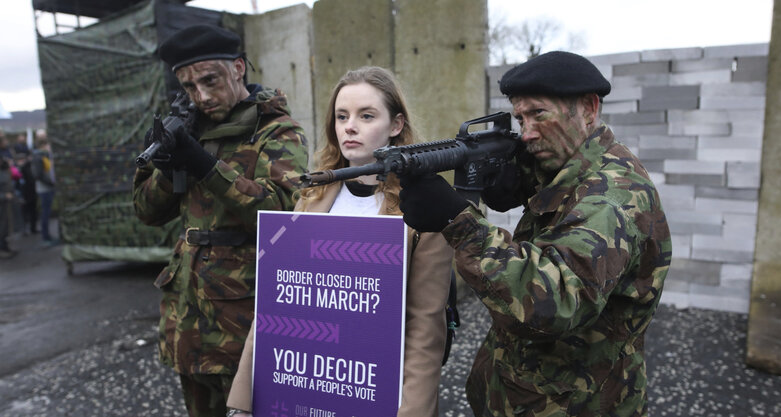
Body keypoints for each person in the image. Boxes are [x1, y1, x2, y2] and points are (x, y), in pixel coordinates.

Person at [397, 51, 672, 416]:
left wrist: (458, 222)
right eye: (520, 118)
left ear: (589, 108)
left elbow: (553, 300)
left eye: (539, 114)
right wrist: (515, 178)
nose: (526, 133)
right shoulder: (568, 167)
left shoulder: (610, 199)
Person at [225, 66, 454, 417]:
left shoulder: (424, 208)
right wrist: (243, 400)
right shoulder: (312, 196)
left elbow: (425, 328)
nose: (350, 126)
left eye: (366, 115)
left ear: (396, 125)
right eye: (341, 116)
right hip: (308, 391)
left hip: (381, 395)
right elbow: (276, 305)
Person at [132, 24, 309, 417]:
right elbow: (146, 212)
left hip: (242, 319)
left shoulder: (276, 131)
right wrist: (166, 168)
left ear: (238, 68)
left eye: (210, 80)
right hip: (189, 315)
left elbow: (280, 213)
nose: (202, 96)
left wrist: (203, 163)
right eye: (189, 87)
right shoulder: (189, 127)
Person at [31, 137, 57, 247]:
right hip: (44, 189)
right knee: (45, 213)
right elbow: (38, 175)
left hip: (48, 188)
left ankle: (47, 236)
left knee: (47, 211)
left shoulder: (44, 156)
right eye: (48, 145)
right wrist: (51, 183)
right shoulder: (38, 157)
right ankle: (45, 236)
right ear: (43, 145)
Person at [14, 151, 37, 235]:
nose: (22, 161)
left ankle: (33, 228)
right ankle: (24, 230)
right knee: (24, 213)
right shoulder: (15, 170)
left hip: (31, 192)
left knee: (33, 211)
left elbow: (32, 179)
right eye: (20, 160)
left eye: (23, 159)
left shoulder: (28, 167)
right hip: (22, 194)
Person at [0, 156, 16, 259]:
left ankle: (5, 246)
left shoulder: (4, 168)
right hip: (2, 203)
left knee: (5, 226)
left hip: (6, 204)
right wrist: (4, 196)